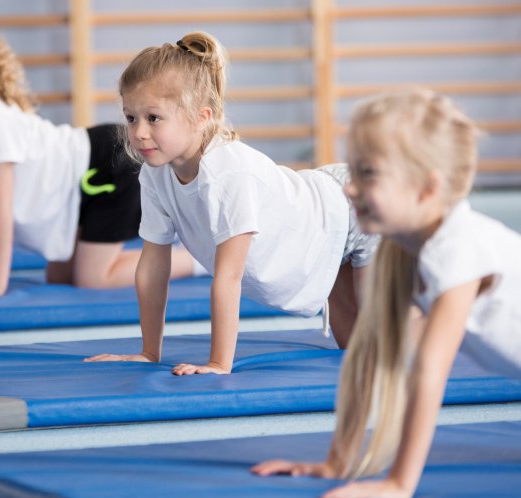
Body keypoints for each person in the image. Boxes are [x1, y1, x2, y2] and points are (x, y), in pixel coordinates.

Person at [251, 89, 521, 498]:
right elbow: (369, 357)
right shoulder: (401, 251)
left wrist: (400, 482)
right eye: (353, 172)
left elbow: (429, 372)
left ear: (427, 188)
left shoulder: (457, 249)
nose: (349, 189)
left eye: (368, 174)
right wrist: (338, 461)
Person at [85, 32, 377, 374]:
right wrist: (150, 352)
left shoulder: (227, 175)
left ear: (201, 117)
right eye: (130, 117)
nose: (138, 133)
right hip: (322, 231)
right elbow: (152, 265)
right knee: (354, 353)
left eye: (154, 118)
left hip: (353, 209)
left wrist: (218, 363)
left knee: (382, 343)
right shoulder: (154, 174)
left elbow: (228, 277)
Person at [0, 17, 195, 297]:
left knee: (92, 279)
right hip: (72, 191)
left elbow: (0, 204)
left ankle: (194, 260)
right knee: (60, 278)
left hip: (106, 165)